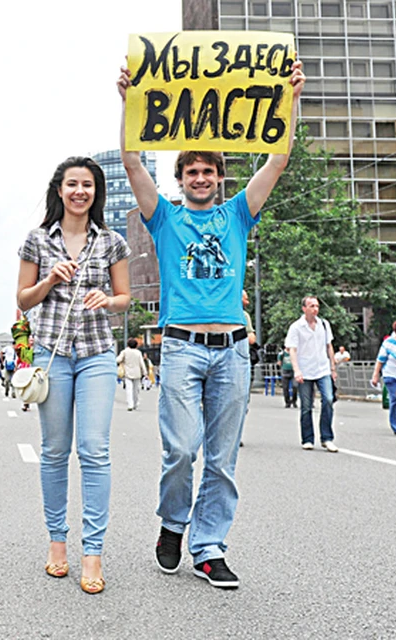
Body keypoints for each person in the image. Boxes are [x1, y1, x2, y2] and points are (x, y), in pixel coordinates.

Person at [118, 56, 304, 589]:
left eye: (208, 171)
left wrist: (290, 98)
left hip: (231, 349)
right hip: (180, 348)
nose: (200, 178)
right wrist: (129, 101)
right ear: (180, 180)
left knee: (221, 458)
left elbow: (277, 158)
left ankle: (208, 545)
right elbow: (132, 164)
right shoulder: (166, 218)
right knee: (181, 449)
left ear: (220, 178)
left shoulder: (239, 213)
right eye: (191, 171)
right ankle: (174, 521)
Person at [17, 155, 130, 595]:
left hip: (98, 354)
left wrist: (108, 299)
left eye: (87, 185)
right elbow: (24, 300)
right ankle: (57, 544)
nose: (80, 191)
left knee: (95, 450)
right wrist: (49, 280)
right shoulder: (37, 240)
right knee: (55, 450)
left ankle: (94, 552)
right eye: (72, 184)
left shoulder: (112, 243)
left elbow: (125, 299)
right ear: (59, 190)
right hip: (53, 354)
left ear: (96, 192)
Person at [286, 296, 339, 453]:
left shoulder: (324, 324)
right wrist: (297, 370)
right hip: (305, 370)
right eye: (311, 306)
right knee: (306, 406)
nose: (315, 309)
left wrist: (333, 367)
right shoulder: (296, 327)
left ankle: (327, 438)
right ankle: (307, 438)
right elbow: (292, 350)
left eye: (316, 306)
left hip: (322, 369)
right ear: (304, 308)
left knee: (328, 399)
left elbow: (329, 346)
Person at [371, 319, 396, 436]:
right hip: (391, 375)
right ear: (395, 333)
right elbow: (380, 360)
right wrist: (375, 375)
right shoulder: (389, 343)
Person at [116, 338, 146, 411]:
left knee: (129, 389)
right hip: (137, 373)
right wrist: (145, 372)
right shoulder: (138, 352)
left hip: (127, 373)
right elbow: (141, 363)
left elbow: (118, 360)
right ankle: (135, 404)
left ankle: (130, 405)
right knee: (136, 390)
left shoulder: (125, 352)